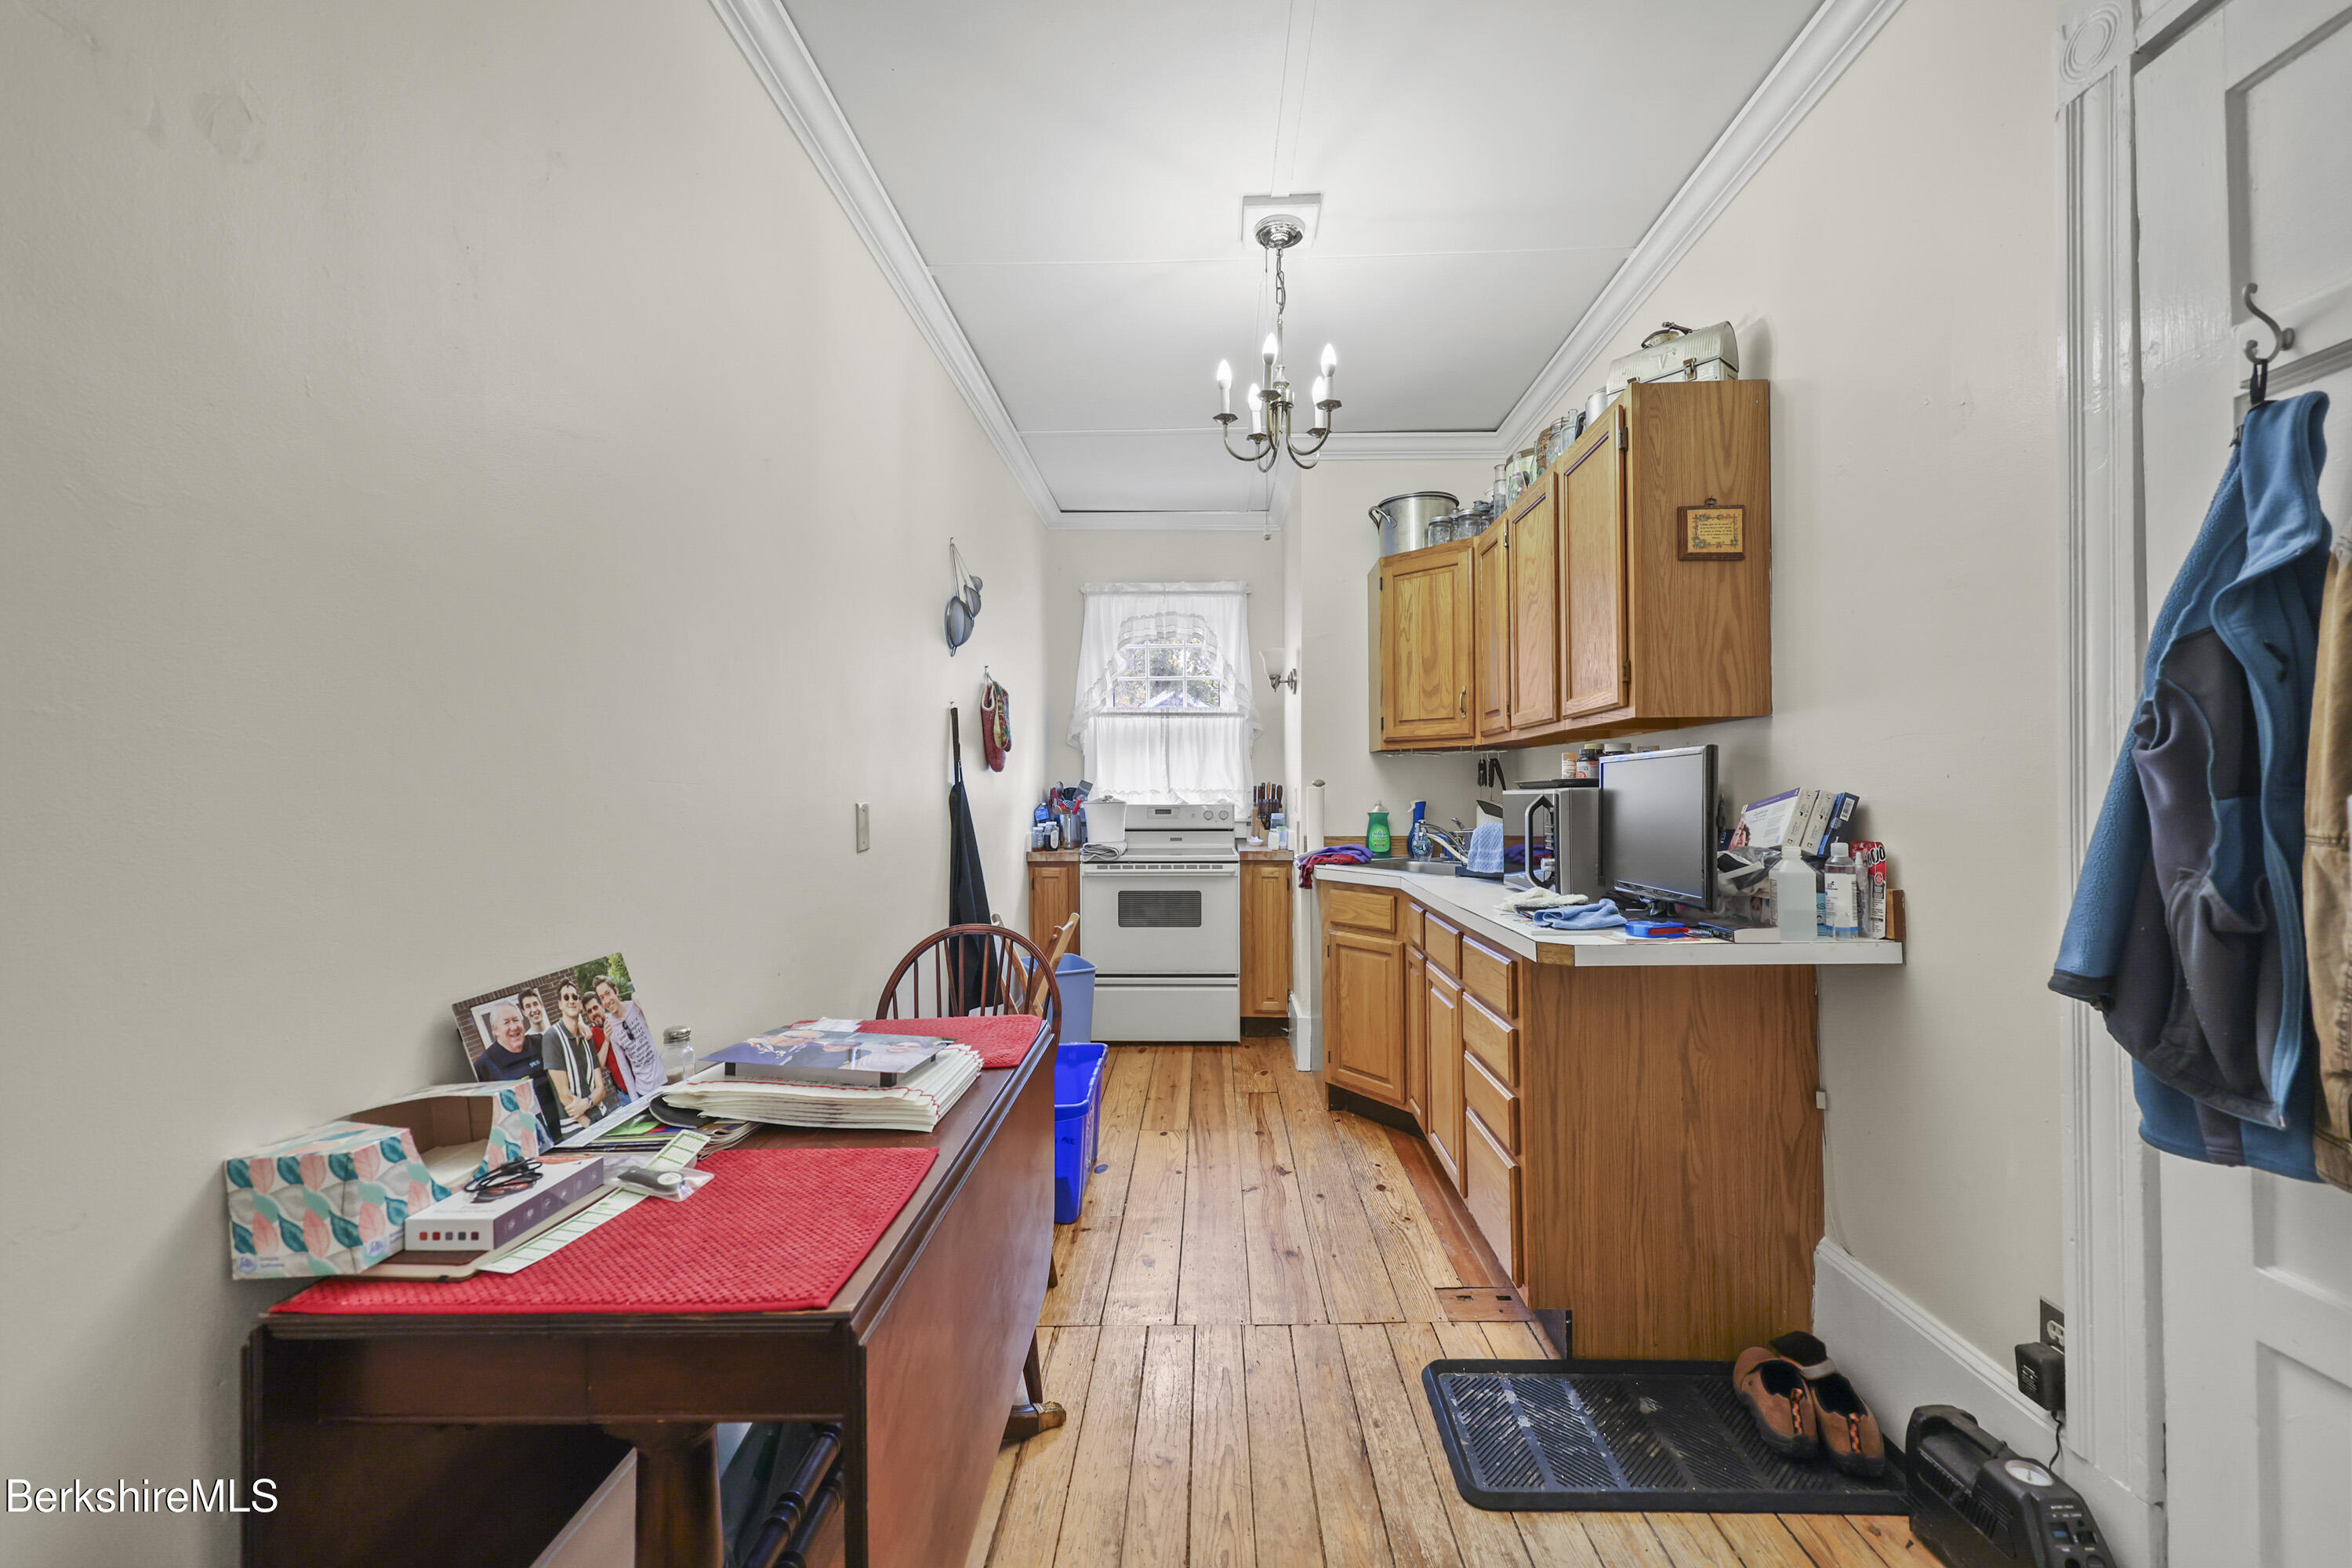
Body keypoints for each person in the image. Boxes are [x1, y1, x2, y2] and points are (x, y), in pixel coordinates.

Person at [539, 980, 612, 1127]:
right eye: (566, 998)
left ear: (579, 1003)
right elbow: (564, 1096)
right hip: (578, 1126)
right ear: (560, 1004)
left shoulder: (587, 1037)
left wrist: (587, 1103)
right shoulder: (552, 1038)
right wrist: (589, 1124)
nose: (571, 1001)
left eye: (574, 997)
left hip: (602, 1115)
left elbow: (601, 1089)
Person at [594, 975, 666, 1099]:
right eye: (602, 998)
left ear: (616, 991)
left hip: (664, 1079)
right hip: (644, 1091)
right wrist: (635, 1101)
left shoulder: (637, 1007)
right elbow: (625, 1069)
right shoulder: (611, 1028)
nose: (607, 1001)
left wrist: (638, 995)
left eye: (608, 993)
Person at [475, 1000, 540, 1081]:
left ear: (522, 1022)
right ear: (495, 1029)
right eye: (506, 1023)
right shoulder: (484, 1065)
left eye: (516, 1020)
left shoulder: (542, 1043)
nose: (514, 1027)